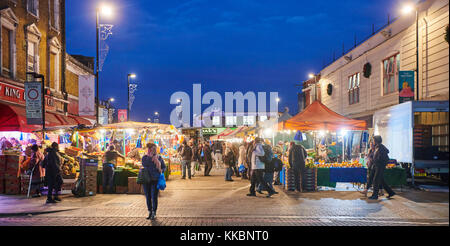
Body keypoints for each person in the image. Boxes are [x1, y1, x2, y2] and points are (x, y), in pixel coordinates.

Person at [142, 143, 166, 220]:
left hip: (155, 179)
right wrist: (151, 157)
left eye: (155, 148)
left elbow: (164, 167)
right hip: (147, 180)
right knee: (148, 197)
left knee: (154, 196)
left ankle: (154, 212)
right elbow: (145, 164)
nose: (154, 150)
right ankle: (150, 211)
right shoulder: (145, 157)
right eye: (153, 148)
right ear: (149, 149)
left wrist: (160, 170)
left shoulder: (159, 157)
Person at [368, 136, 396, 200]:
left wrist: (379, 163)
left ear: (377, 140)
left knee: (376, 180)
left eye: (374, 140)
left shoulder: (381, 148)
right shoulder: (377, 147)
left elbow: (384, 159)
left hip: (380, 166)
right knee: (381, 180)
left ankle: (375, 195)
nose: (373, 141)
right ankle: (391, 192)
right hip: (376, 166)